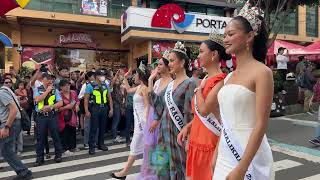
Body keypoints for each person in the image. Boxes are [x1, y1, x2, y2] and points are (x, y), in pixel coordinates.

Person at [213, 1, 274, 179]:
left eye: (231, 34)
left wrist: (242, 167)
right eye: (224, 35)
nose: (225, 39)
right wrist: (216, 152)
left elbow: (261, 124)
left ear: (249, 37)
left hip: (249, 156)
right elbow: (226, 121)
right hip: (225, 151)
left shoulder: (263, 73)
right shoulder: (229, 76)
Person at [177, 34, 231, 180]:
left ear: (213, 54)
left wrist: (199, 90)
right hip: (197, 141)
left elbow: (205, 110)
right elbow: (198, 116)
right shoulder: (206, 79)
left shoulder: (220, 82)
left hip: (210, 144)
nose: (198, 55)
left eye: (201, 51)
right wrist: (188, 127)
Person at [153, 41, 197, 179]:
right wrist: (150, 82)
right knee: (161, 170)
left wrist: (189, 139)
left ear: (182, 62)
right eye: (169, 61)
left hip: (177, 136)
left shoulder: (190, 83)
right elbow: (157, 107)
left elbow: (189, 114)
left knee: (179, 171)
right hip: (163, 134)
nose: (169, 64)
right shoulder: (170, 84)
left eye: (172, 61)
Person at [111, 63, 150, 179]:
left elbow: (148, 106)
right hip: (138, 121)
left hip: (142, 122)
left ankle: (124, 172)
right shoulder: (139, 87)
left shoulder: (145, 88)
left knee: (137, 147)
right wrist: (125, 77)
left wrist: (147, 123)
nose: (134, 77)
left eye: (136, 75)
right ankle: (127, 172)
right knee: (142, 148)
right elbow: (127, 89)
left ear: (141, 76)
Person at [138, 50, 172, 179]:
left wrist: (157, 120)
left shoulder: (171, 83)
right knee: (149, 146)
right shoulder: (157, 82)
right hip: (153, 115)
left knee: (159, 148)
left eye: (161, 64)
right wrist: (151, 79)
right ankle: (149, 174)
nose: (158, 66)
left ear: (168, 66)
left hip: (161, 118)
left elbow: (165, 105)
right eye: (157, 64)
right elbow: (151, 100)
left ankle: (158, 175)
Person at [0, 84, 33, 180]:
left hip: (10, 123)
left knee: (6, 150)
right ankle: (23, 171)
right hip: (11, 122)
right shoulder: (6, 90)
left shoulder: (2, 93)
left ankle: (24, 171)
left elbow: (13, 110)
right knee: (6, 149)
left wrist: (6, 127)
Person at [33, 73, 63, 166]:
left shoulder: (55, 90)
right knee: (40, 138)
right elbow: (37, 100)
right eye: (48, 79)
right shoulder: (37, 89)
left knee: (55, 136)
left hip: (52, 115)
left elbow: (60, 103)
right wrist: (47, 91)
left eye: (51, 79)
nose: (50, 81)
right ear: (43, 80)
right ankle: (39, 158)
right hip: (41, 117)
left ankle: (58, 155)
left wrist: (51, 107)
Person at [84, 69, 113, 155]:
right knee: (94, 128)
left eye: (103, 75)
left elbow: (109, 98)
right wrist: (86, 111)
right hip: (95, 108)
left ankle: (101, 144)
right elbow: (86, 99)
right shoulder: (90, 85)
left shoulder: (105, 85)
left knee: (103, 127)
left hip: (104, 108)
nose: (103, 77)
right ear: (96, 76)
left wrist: (111, 109)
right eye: (101, 75)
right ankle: (91, 146)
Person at [58, 79, 80, 155]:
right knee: (64, 132)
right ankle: (65, 149)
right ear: (61, 87)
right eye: (65, 85)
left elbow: (77, 100)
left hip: (72, 115)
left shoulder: (73, 92)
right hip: (62, 116)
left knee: (72, 131)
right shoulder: (58, 95)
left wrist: (77, 105)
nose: (67, 87)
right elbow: (57, 108)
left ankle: (73, 146)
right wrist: (67, 107)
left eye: (68, 85)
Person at [78, 71, 95, 149]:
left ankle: (92, 141)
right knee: (87, 125)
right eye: (93, 76)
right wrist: (86, 109)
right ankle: (86, 142)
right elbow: (80, 96)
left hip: (94, 107)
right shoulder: (86, 85)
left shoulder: (96, 85)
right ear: (89, 77)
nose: (94, 77)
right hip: (86, 105)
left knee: (93, 126)